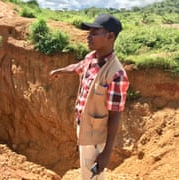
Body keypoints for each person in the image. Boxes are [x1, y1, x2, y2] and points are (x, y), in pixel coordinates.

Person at [49, 14, 129, 180]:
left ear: (110, 36)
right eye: (89, 32)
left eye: (94, 32)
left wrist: (106, 153)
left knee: (92, 175)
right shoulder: (91, 58)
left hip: (96, 135)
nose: (88, 36)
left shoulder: (116, 74)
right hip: (84, 127)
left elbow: (115, 114)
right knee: (88, 172)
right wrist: (61, 71)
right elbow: (78, 67)